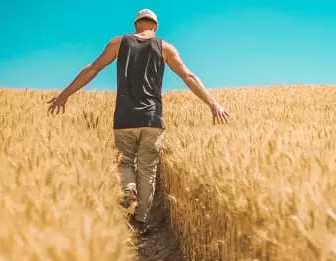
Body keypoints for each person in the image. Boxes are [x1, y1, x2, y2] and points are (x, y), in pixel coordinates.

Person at [47, 9, 230, 235]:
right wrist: (213, 104)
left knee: (125, 164)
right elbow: (188, 77)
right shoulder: (165, 47)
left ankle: (128, 189)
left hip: (124, 117)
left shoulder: (118, 43)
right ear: (155, 27)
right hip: (152, 119)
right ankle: (140, 221)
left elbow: (92, 69)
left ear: (135, 26)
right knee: (148, 172)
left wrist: (65, 94)